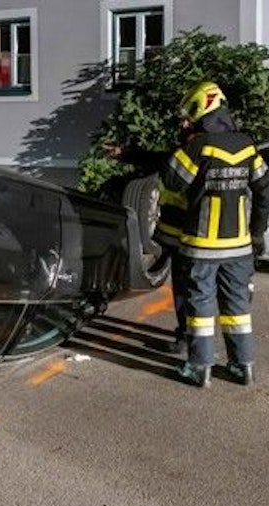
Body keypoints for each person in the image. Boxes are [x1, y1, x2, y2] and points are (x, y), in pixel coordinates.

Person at [164, 81, 269, 387]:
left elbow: (172, 180)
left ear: (200, 109)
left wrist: (185, 140)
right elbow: (265, 188)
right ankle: (242, 366)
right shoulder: (247, 145)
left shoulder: (199, 146)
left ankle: (199, 368)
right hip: (238, 246)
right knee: (237, 307)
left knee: (200, 306)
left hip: (201, 246)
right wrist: (257, 233)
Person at [103, 128, 194, 354]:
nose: (182, 125)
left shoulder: (199, 153)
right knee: (185, 290)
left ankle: (193, 343)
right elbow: (158, 160)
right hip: (178, 236)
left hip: (194, 237)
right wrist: (125, 154)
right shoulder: (186, 152)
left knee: (194, 291)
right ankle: (189, 337)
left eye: (188, 122)